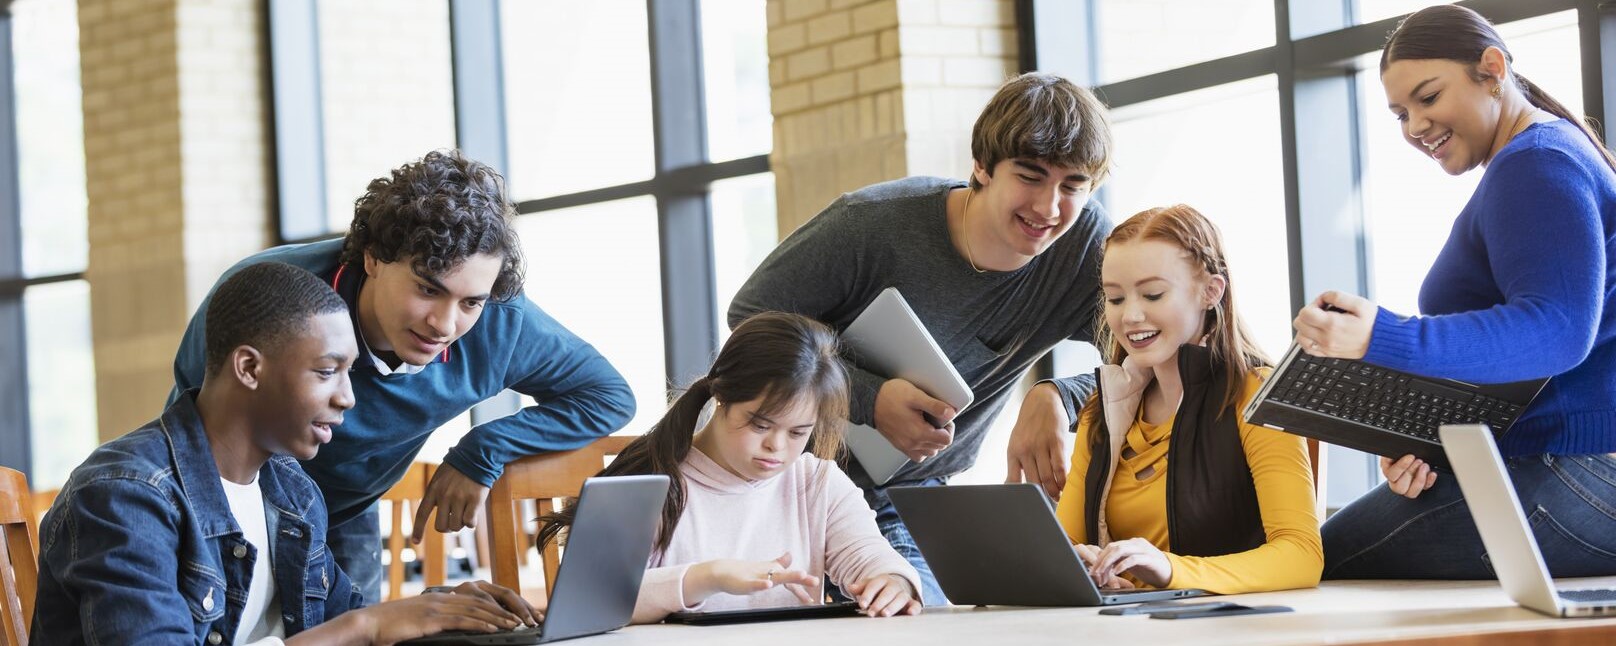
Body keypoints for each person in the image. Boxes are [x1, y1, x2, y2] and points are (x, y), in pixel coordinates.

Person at [167, 150, 636, 603]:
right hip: (227, 507)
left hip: (344, 517)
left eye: (470, 301)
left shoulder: (500, 322)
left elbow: (607, 397)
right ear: (372, 258)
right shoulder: (265, 295)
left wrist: (483, 452)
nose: (445, 325)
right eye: (428, 289)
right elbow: (189, 430)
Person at [728, 72, 1114, 604]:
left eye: (1073, 186)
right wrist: (867, 399)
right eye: (1030, 176)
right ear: (981, 165)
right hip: (787, 480)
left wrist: (1056, 396)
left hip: (910, 498)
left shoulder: (1086, 248)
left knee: (924, 619)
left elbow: (1160, 355)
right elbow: (749, 319)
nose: (1049, 208)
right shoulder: (871, 224)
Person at [33, 263, 540, 644]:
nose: (348, 397)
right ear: (249, 369)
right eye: (326, 372)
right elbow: (356, 629)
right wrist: (367, 625)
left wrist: (439, 610)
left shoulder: (290, 491)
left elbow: (349, 622)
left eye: (349, 372)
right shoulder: (123, 496)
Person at [1293, 5, 1616, 579]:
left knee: (1311, 564)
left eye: (1429, 97)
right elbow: (1520, 361)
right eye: (1400, 113)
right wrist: (1427, 442)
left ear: (1491, 70)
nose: (1415, 126)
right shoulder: (1544, 155)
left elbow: (1558, 331)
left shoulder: (1536, 163)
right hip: (1570, 472)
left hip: (1577, 473)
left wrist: (1382, 336)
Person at [537, 312, 922, 622]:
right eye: (760, 424)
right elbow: (590, 599)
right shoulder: (650, 480)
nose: (776, 446)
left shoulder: (816, 482)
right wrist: (708, 577)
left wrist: (893, 582)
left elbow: (870, 556)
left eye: (798, 432)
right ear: (721, 397)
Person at [1052, 205, 1322, 594]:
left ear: (1211, 292)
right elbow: (1067, 544)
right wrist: (1085, 570)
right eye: (1115, 298)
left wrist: (1169, 571)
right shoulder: (1103, 411)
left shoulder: (1255, 395)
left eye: (1153, 294)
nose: (1130, 316)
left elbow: (1301, 555)